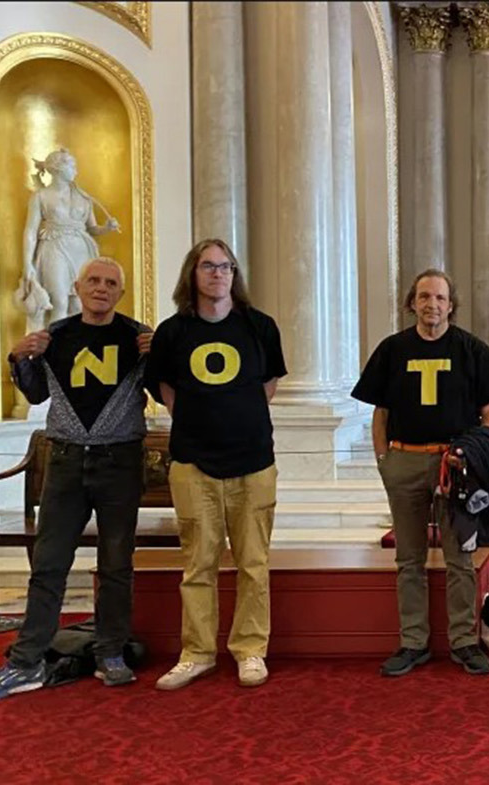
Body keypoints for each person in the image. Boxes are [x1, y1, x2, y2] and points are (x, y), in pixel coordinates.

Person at [0, 258, 151, 702]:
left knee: (116, 564)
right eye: (93, 280)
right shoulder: (56, 335)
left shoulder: (138, 337)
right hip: (67, 463)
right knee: (49, 565)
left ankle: (111, 651)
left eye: (111, 283)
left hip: (120, 462)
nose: (101, 288)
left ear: (121, 293)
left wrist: (161, 356)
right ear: (77, 286)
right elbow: (35, 394)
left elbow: (165, 387)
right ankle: (26, 661)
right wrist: (20, 358)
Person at [352, 270, 489, 677]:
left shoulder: (471, 350)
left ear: (450, 304)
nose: (431, 304)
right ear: (412, 303)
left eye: (439, 297)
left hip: (455, 466)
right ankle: (413, 641)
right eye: (423, 297)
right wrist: (385, 461)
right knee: (409, 559)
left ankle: (463, 640)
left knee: (460, 557)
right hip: (405, 462)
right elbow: (380, 413)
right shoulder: (392, 350)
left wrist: (473, 452)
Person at [147, 239, 287, 691]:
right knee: (198, 565)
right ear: (193, 274)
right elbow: (166, 390)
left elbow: (268, 386)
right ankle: (197, 653)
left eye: (225, 267)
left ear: (234, 274)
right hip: (193, 464)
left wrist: (234, 418)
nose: (217, 274)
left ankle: (250, 650)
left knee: (253, 563)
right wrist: (199, 421)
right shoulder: (172, 332)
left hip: (253, 462)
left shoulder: (259, 326)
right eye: (208, 266)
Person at [20, 149, 121, 331]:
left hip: (81, 250)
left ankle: (79, 348)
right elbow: (30, 231)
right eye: (72, 166)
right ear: (58, 168)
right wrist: (27, 263)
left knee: (80, 304)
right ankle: (55, 352)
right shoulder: (41, 196)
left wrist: (107, 227)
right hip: (54, 247)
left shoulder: (83, 197)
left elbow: (92, 228)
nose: (76, 170)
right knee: (58, 301)